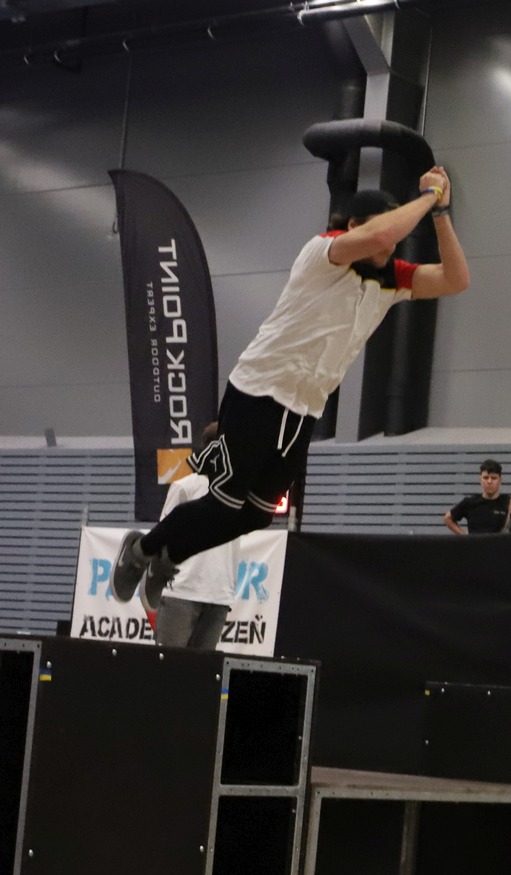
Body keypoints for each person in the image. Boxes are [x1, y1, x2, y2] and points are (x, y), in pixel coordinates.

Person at [111, 166, 470, 610]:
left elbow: (456, 279)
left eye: (395, 238)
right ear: (353, 226)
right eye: (384, 232)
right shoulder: (324, 252)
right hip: (259, 388)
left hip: (304, 406)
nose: (391, 244)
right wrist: (427, 197)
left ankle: (169, 557)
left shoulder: (392, 279)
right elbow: (380, 236)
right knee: (224, 503)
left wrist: (442, 213)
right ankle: (142, 551)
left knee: (258, 514)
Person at [154, 423, 238, 651]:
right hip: (183, 590)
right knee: (169, 664)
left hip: (219, 595)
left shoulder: (238, 493)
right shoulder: (185, 487)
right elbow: (163, 534)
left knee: (201, 669)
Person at [443, 458, 509, 534]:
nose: (489, 481)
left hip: (499, 542)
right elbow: (448, 518)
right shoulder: (470, 502)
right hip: (475, 542)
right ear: (480, 480)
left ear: (500, 480)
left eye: (493, 478)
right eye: (486, 478)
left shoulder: (509, 503)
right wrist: (464, 537)